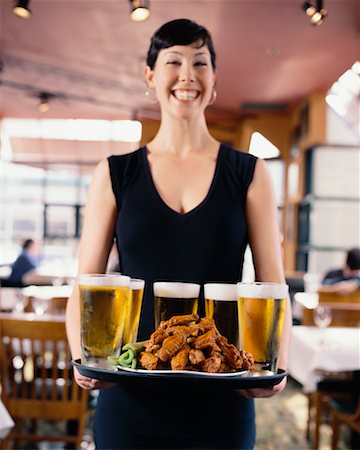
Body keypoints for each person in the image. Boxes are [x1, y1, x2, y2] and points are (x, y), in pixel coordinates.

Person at [66, 18, 292, 449]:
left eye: (200, 63)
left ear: (214, 80)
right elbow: (85, 285)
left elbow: (274, 284)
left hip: (221, 398)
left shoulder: (250, 173)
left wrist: (278, 364)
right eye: (173, 61)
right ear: (150, 75)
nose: (187, 75)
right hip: (129, 395)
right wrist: (83, 358)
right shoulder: (115, 173)